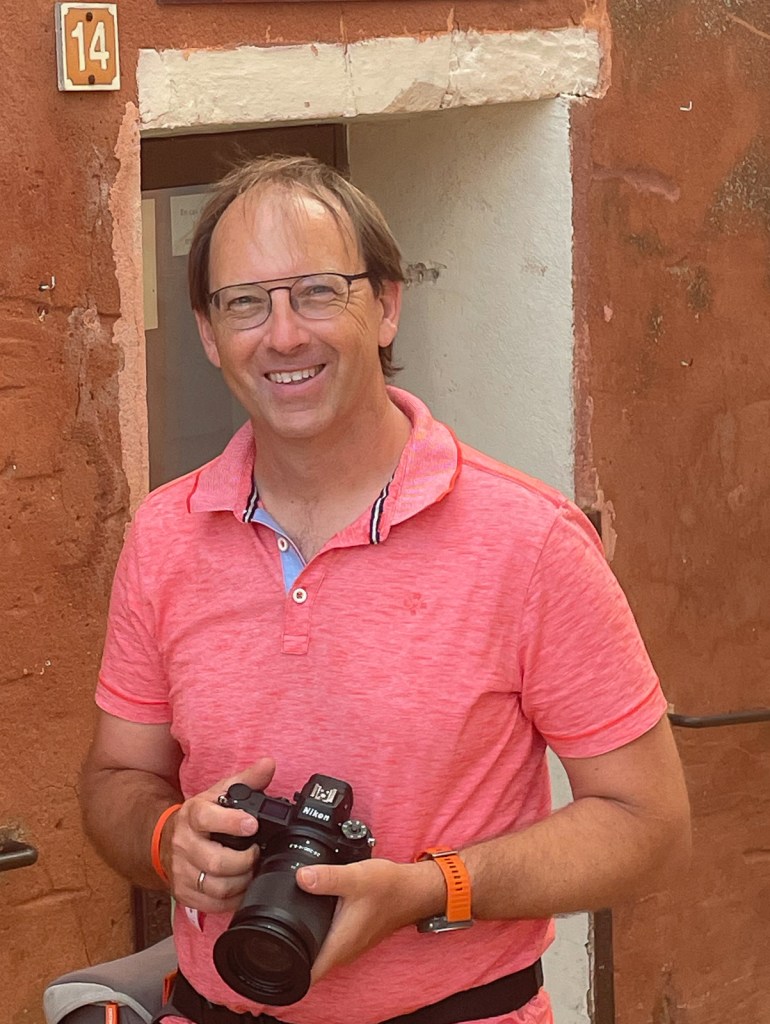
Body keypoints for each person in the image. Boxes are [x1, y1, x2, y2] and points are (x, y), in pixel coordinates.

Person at [80, 155, 691, 1024]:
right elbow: (115, 775)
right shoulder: (165, 535)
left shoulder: (530, 540)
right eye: (245, 303)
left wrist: (431, 889)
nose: (283, 335)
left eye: (318, 293)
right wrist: (165, 838)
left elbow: (648, 822)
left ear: (388, 305)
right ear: (209, 334)